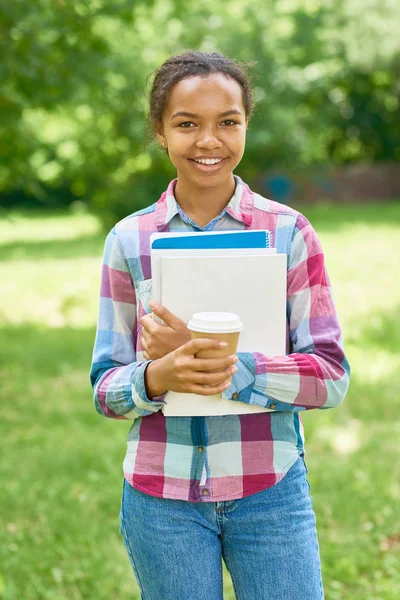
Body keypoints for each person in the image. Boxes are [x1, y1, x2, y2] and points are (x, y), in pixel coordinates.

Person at [89, 50, 350, 600]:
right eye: (187, 124)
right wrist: (159, 375)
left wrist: (218, 364)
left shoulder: (290, 234)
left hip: (269, 492)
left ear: (246, 125)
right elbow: (106, 390)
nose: (209, 140)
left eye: (227, 122)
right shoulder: (128, 242)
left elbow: (329, 377)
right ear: (161, 132)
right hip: (161, 500)